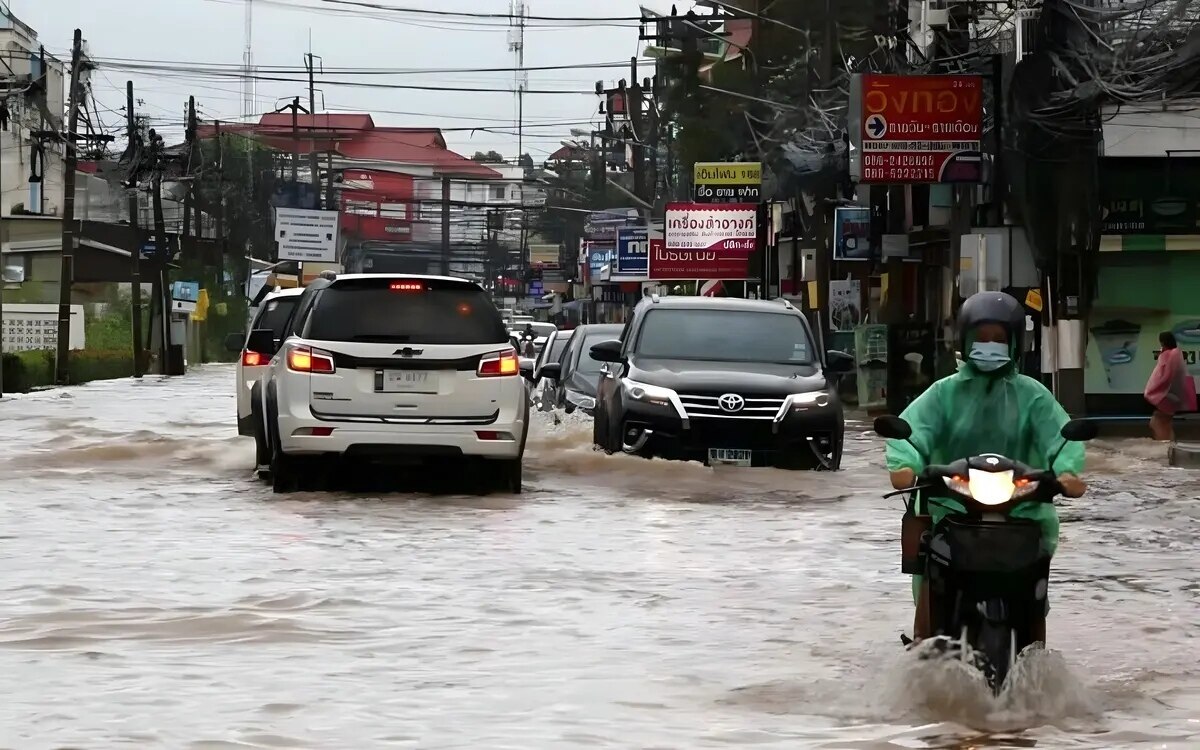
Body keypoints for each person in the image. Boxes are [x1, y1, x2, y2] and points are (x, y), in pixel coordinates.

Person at [885, 291, 1088, 645]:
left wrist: (1067, 474)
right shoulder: (943, 393)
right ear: (964, 340)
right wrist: (905, 465)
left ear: (1013, 344)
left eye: (998, 339)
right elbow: (914, 430)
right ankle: (922, 646)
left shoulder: (1033, 395)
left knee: (1035, 585)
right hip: (952, 506)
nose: (989, 346)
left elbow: (1060, 436)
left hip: (1020, 507)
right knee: (928, 564)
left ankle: (1035, 653)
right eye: (981, 338)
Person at [1144, 331, 1196, 441]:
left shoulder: (1170, 355)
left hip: (1168, 395)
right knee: (1164, 423)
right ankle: (1169, 445)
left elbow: (1165, 376)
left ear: (1163, 342)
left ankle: (1165, 446)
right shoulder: (1176, 354)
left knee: (1157, 423)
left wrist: (1154, 390)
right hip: (1174, 395)